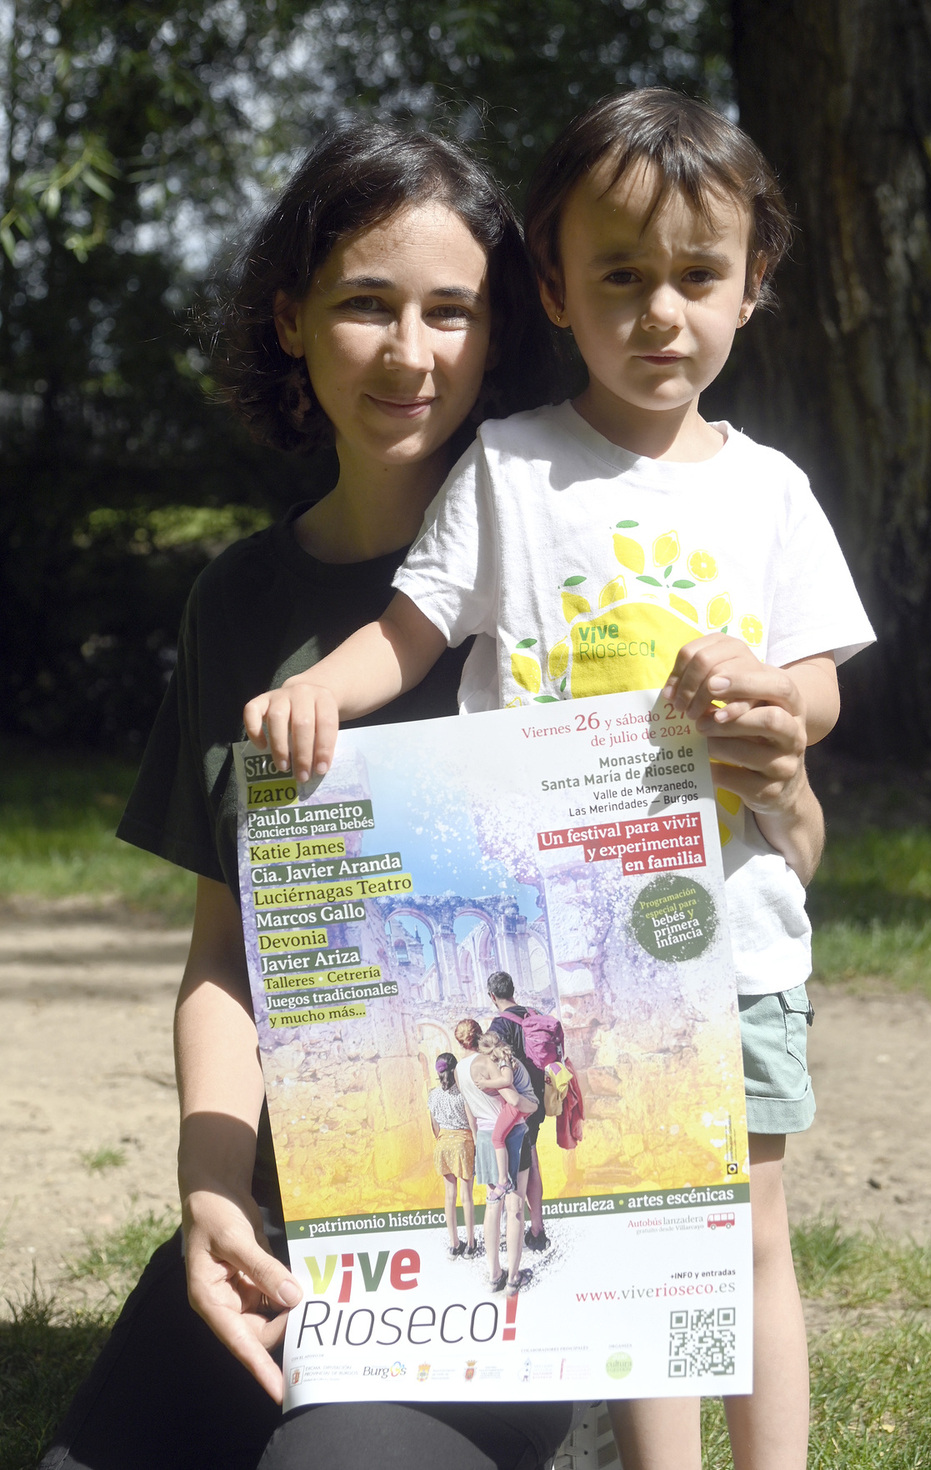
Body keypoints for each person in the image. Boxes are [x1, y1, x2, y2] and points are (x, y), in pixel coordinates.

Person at [244, 88, 876, 1470]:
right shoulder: (512, 474)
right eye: (622, 277)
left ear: (754, 285)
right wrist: (317, 695)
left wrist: (782, 700)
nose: (662, 313)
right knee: (624, 1232)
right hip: (549, 947)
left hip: (733, 936)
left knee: (750, 1231)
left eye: (699, 276)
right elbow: (406, 631)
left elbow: (819, 679)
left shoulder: (770, 492)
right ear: (556, 286)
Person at [37, 121, 574, 1470]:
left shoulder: (580, 563)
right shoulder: (238, 605)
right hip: (290, 1214)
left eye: (452, 311)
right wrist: (210, 1189)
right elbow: (225, 957)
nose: (412, 352)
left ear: (497, 330)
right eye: (365, 304)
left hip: (513, 1232)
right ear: (291, 318)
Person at [453, 1019, 535, 1297]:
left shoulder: (459, 1070)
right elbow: (512, 1098)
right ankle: (513, 1278)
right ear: (481, 1035)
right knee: (515, 1206)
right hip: (511, 1134)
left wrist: (477, 1140)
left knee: (492, 1206)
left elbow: (468, 1107)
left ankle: (493, 1274)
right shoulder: (490, 1059)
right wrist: (532, 1106)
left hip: (486, 1138)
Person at [485, 971, 553, 1253]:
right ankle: (537, 1228)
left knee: (517, 1167)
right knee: (533, 1160)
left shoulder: (499, 1026)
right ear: (513, 990)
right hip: (539, 1097)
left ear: (492, 997)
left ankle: (517, 1225)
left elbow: (499, 1069)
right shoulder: (533, 1013)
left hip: (517, 1104)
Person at [474, 1031, 537, 1200]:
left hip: (520, 1102)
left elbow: (507, 1082)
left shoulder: (502, 1060)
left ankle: (503, 1181)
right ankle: (504, 1179)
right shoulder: (503, 1058)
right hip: (520, 1103)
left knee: (497, 1138)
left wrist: (485, 1083)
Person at [427, 1052, 478, 1257]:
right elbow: (472, 1124)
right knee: (467, 1197)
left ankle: (454, 1243)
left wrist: (443, 1139)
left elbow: (434, 1127)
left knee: (450, 1196)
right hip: (463, 1144)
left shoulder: (432, 1095)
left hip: (443, 1144)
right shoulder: (463, 1093)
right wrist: (477, 1146)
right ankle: (471, 1243)